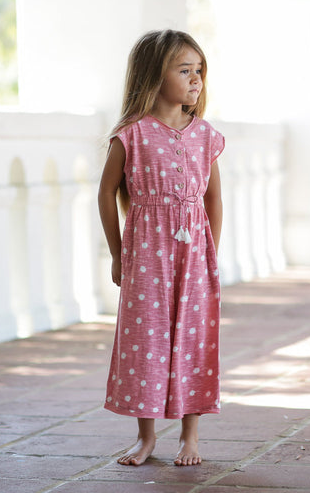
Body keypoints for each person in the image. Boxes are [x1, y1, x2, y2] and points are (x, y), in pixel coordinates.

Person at [98, 29, 225, 467]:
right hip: (146, 257)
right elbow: (106, 193)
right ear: (154, 75)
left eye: (199, 71)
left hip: (194, 258)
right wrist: (118, 253)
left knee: (194, 339)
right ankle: (145, 436)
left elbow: (213, 199)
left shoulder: (205, 136)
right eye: (185, 70)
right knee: (145, 340)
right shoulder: (131, 135)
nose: (196, 80)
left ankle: (190, 437)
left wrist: (212, 252)